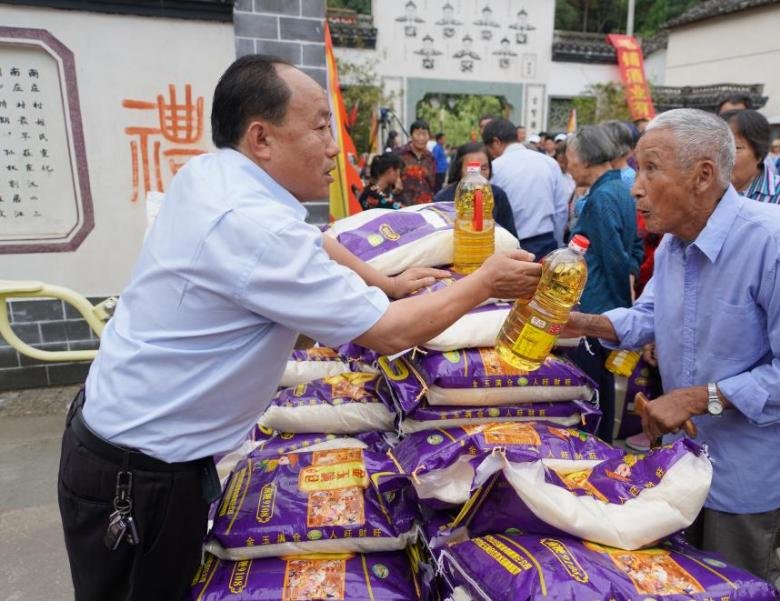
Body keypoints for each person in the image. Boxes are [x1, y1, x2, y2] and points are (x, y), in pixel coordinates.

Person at [57, 55, 542, 601]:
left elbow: (314, 240)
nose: (335, 145)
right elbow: (388, 334)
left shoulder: (215, 175)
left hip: (124, 449)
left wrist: (384, 280)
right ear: (261, 137)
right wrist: (485, 283)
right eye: (319, 126)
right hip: (139, 477)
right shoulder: (251, 227)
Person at [560, 108, 780, 583]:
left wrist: (696, 398)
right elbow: (649, 316)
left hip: (750, 471)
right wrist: (573, 321)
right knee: (686, 579)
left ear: (703, 176)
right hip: (689, 459)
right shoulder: (675, 244)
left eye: (651, 169)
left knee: (736, 583)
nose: (635, 186)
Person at [566, 124, 643, 442]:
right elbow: (634, 248)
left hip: (599, 301)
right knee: (607, 380)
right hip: (612, 299)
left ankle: (594, 443)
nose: (567, 165)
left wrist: (622, 302)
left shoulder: (601, 199)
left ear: (585, 160)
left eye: (569, 158)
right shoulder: (619, 190)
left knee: (593, 382)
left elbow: (612, 258)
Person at [483, 118, 571, 258]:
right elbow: (561, 209)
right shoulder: (549, 163)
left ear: (496, 142)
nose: (490, 155)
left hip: (510, 246)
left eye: (489, 150)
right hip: (546, 242)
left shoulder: (496, 168)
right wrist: (558, 243)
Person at [720, 110, 780, 221]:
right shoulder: (711, 191)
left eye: (736, 148)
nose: (723, 156)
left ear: (759, 153)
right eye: (719, 147)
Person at [433, 141, 518, 237]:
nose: (478, 174)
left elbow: (510, 236)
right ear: (459, 170)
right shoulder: (443, 198)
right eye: (472, 169)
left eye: (484, 168)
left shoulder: (497, 195)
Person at [396, 119, 436, 205]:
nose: (421, 138)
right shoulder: (400, 154)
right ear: (411, 135)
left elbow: (432, 183)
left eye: (424, 134)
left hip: (425, 205)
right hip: (404, 205)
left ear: (429, 136)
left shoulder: (430, 157)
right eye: (418, 134)